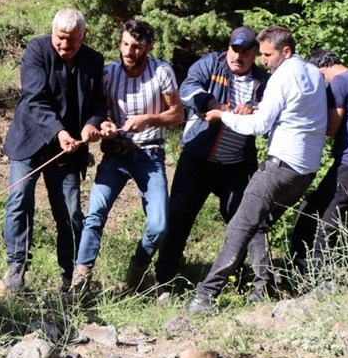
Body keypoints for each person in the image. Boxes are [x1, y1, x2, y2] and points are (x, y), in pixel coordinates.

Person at [185, 25, 328, 313]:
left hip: (280, 166)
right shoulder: (313, 73)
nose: (263, 61)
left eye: (267, 55)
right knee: (258, 224)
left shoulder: (282, 76)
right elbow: (291, 111)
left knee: (239, 225)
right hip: (305, 171)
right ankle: (263, 290)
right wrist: (255, 109)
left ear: (285, 51)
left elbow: (259, 127)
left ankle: (205, 296)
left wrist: (222, 115)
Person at [69, 19, 183, 293]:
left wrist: (149, 119)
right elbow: (100, 113)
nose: (129, 52)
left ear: (149, 47)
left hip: (150, 153)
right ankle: (80, 279)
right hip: (116, 153)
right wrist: (105, 125)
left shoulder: (161, 72)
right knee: (94, 215)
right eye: (125, 44)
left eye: (137, 47)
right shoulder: (109, 73)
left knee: (159, 224)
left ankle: (136, 272)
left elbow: (178, 114)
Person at [153, 26, 270, 286]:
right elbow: (187, 87)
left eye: (245, 52)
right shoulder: (211, 64)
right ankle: (165, 279)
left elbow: (272, 108)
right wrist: (210, 103)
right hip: (197, 159)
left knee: (240, 222)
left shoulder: (263, 80)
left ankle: (237, 278)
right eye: (234, 49)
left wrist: (254, 109)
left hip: (236, 165)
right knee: (179, 217)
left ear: (255, 52)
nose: (238, 56)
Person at [2, 8, 107, 293]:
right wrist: (59, 132)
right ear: (52, 32)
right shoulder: (36, 50)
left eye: (71, 39)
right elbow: (35, 98)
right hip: (30, 140)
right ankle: (17, 266)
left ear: (83, 36)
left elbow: (99, 103)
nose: (64, 44)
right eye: (60, 37)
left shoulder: (94, 60)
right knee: (19, 199)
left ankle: (71, 277)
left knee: (70, 212)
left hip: (68, 149)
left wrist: (91, 124)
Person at [288, 49, 348, 274]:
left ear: (320, 71)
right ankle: (304, 272)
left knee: (323, 219)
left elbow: (331, 128)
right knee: (313, 208)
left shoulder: (340, 82)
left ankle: (314, 278)